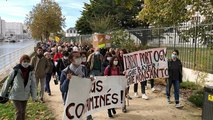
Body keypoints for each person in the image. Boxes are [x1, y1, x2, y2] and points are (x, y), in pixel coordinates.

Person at [0, 55, 37, 120]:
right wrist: (2, 94)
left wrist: (34, 96)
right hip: (15, 94)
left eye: (28, 61)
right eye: (24, 61)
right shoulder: (15, 70)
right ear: (21, 61)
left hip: (25, 95)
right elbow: (7, 82)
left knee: (23, 112)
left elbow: (33, 84)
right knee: (19, 111)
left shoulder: (31, 71)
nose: (26, 63)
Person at [60, 51, 93, 120]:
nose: (80, 58)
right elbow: (62, 89)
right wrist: (67, 80)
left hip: (83, 98)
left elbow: (86, 81)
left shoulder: (84, 68)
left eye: (80, 56)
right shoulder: (65, 72)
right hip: (71, 101)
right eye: (77, 57)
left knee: (87, 115)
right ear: (71, 60)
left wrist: (90, 80)